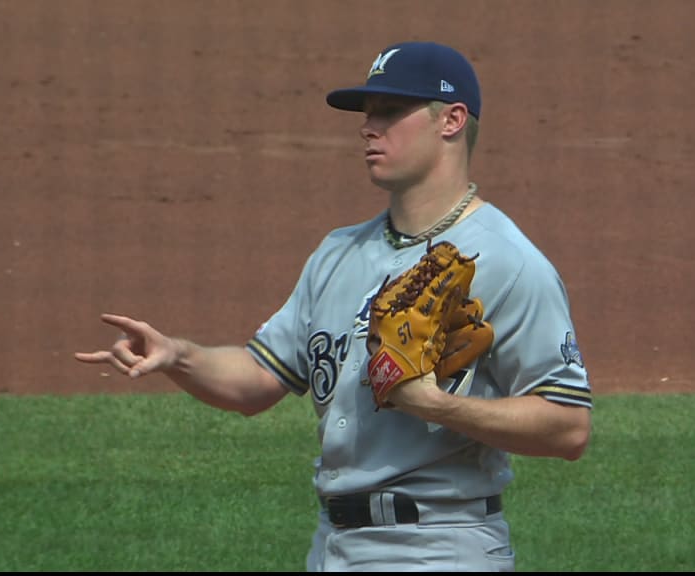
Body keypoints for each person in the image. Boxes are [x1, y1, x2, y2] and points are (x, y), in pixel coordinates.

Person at [76, 40, 592, 572]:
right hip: (333, 548)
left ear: (452, 120)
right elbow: (257, 379)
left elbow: (568, 426)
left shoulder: (506, 261)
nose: (369, 127)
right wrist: (178, 355)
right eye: (368, 114)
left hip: (439, 546)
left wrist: (437, 406)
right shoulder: (338, 253)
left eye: (391, 112)